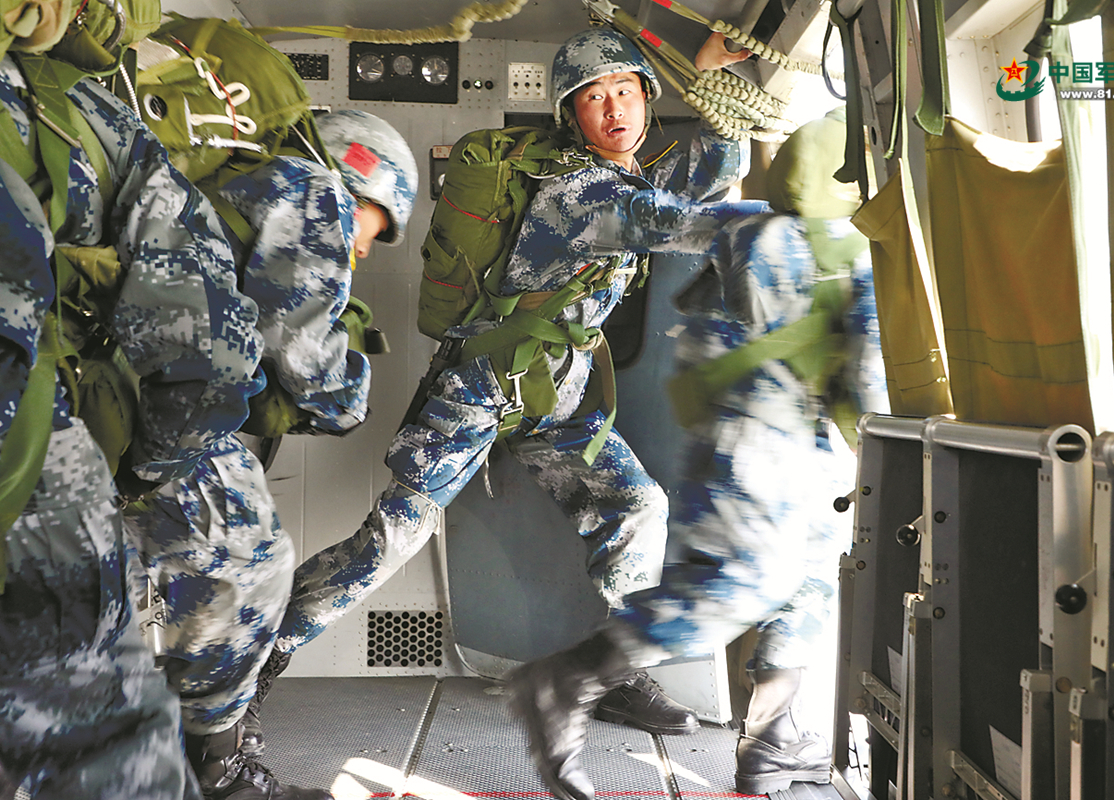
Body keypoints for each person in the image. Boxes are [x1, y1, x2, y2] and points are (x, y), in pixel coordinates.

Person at [245, 26, 761, 748]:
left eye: (622, 90)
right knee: (393, 536)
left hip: (556, 394)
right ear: (570, 118)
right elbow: (673, 221)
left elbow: (711, 168)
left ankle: (613, 673)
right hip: (483, 387)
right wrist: (772, 233)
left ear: (646, 96)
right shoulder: (578, 191)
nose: (612, 108)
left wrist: (709, 81)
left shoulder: (628, 175)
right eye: (591, 99)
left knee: (636, 505)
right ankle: (253, 663)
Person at [505, 113, 887, 800]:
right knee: (739, 585)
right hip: (778, 450)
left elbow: (661, 226)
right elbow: (869, 388)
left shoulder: (743, 224)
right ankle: (569, 678)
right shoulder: (850, 251)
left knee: (808, 578)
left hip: (740, 438)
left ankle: (772, 737)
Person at [121, 109, 417, 800]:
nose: (366, 248)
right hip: (167, 409)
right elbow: (305, 345)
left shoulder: (240, 178)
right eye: (379, 225)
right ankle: (222, 774)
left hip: (117, 390)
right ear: (361, 181)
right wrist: (350, 399)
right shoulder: (315, 191)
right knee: (253, 562)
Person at [0, 26, 264, 798]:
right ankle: (220, 756)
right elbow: (208, 349)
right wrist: (145, 470)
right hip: (33, 484)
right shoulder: (74, 112)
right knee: (105, 756)